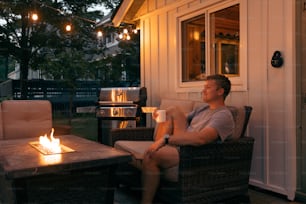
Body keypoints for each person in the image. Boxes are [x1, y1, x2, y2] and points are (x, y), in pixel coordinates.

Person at [141, 74, 235, 204]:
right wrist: (161, 115)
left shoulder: (223, 115)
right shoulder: (203, 108)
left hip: (193, 151)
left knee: (151, 155)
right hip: (182, 144)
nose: (203, 90)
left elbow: (201, 139)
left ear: (220, 91)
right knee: (172, 110)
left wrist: (166, 139)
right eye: (204, 87)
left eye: (208, 87)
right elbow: (179, 117)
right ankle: (159, 142)